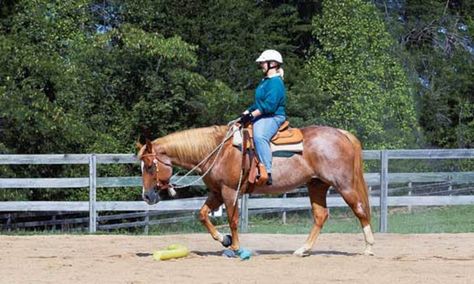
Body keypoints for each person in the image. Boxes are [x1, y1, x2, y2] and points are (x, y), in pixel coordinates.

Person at [240, 49, 286, 185]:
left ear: (273, 64)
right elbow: (258, 103)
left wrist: (251, 115)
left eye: (263, 63)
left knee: (260, 136)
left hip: (274, 116)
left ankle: (267, 170)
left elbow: (270, 106)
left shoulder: (276, 82)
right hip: (263, 115)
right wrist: (246, 112)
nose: (261, 65)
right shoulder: (265, 81)